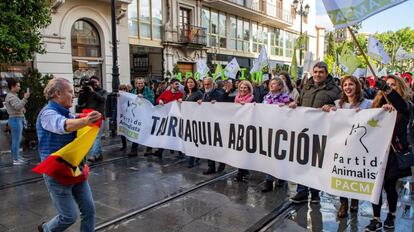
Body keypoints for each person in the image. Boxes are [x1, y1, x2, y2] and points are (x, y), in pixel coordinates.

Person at [37, 77, 101, 232]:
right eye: (70, 92)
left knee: (89, 211)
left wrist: (87, 117)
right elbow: (64, 125)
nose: (73, 95)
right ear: (58, 93)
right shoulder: (47, 114)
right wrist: (86, 120)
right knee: (69, 217)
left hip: (76, 170)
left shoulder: (65, 112)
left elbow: (73, 118)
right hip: (57, 173)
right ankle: (46, 229)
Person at [364, 75, 412, 231]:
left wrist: (387, 91)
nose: (390, 88)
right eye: (387, 85)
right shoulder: (377, 104)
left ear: (400, 88)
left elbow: (402, 107)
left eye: (393, 86)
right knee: (375, 186)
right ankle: (376, 218)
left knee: (389, 186)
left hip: (393, 153)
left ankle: (391, 214)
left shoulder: (406, 106)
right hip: (376, 152)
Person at [289, 61, 341, 204]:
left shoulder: (335, 90)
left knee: (316, 164)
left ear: (326, 73)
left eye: (321, 72)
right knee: (302, 162)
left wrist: (331, 107)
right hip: (304, 131)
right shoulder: (306, 87)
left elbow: (340, 107)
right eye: (316, 72)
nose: (317, 75)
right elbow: (300, 102)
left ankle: (315, 193)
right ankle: (302, 192)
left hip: (321, 132)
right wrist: (295, 104)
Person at [322, 75, 372, 218]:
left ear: (357, 86)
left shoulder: (367, 104)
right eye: (345, 85)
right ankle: (343, 204)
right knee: (342, 174)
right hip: (342, 147)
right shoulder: (338, 104)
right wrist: (328, 109)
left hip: (358, 147)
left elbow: (378, 116)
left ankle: (354, 200)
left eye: (351, 84)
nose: (348, 87)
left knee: (355, 174)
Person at [260, 77, 292, 193]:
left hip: (280, 130)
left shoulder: (285, 97)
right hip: (268, 129)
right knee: (269, 156)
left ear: (280, 86)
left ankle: (281, 177)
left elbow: (290, 112)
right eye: (271, 84)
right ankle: (269, 181)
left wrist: (285, 107)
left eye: (274, 84)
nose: (271, 86)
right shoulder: (266, 97)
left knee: (279, 155)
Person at [198, 77, 226, 175]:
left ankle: (222, 162)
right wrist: (200, 102)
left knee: (218, 146)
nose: (206, 86)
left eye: (208, 84)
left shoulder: (219, 93)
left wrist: (217, 104)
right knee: (209, 145)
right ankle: (211, 166)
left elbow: (223, 106)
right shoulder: (204, 94)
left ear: (213, 84)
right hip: (207, 123)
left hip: (217, 124)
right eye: (205, 84)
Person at [77, 76, 107, 162]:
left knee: (96, 137)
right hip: (89, 117)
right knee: (93, 137)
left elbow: (102, 99)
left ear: (99, 82)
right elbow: (80, 103)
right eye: (92, 82)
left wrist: (93, 92)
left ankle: (93, 155)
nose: (94, 84)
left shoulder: (103, 91)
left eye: (95, 82)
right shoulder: (87, 91)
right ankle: (99, 154)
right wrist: (82, 93)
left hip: (100, 117)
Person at [153, 78, 183, 159]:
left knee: (177, 134)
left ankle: (180, 152)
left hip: (177, 118)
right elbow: (158, 99)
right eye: (176, 84)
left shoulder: (181, 93)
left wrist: (181, 100)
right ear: (171, 85)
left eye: (178, 84)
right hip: (167, 117)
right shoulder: (166, 92)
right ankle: (160, 152)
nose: (178, 85)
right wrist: (160, 101)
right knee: (165, 134)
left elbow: (184, 103)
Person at [4, 78, 30, 165]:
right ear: (12, 86)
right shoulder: (11, 96)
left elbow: (18, 108)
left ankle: (17, 157)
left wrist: (22, 108)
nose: (19, 87)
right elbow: (17, 107)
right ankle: (16, 159)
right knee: (16, 140)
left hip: (16, 119)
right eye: (18, 86)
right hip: (15, 120)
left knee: (17, 139)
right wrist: (25, 98)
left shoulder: (13, 96)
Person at [233, 80, 254, 182]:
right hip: (238, 127)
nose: (242, 89)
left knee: (246, 151)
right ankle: (240, 171)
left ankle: (245, 172)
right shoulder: (236, 98)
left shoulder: (253, 99)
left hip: (248, 128)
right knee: (239, 151)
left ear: (249, 89)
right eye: (241, 88)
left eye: (245, 88)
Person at [129, 78, 155, 157]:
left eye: (141, 83)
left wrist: (143, 98)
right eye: (138, 83)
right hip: (137, 115)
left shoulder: (149, 91)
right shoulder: (133, 91)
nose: (140, 85)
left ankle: (149, 149)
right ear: (136, 84)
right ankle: (134, 150)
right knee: (136, 131)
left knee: (147, 131)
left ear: (144, 83)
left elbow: (152, 101)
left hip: (146, 115)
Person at [183, 77, 203, 168]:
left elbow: (204, 103)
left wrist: (201, 102)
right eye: (188, 82)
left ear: (195, 83)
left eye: (191, 82)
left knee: (194, 140)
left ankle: (191, 160)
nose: (190, 84)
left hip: (195, 120)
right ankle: (196, 157)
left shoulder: (198, 93)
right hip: (187, 120)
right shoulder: (186, 93)